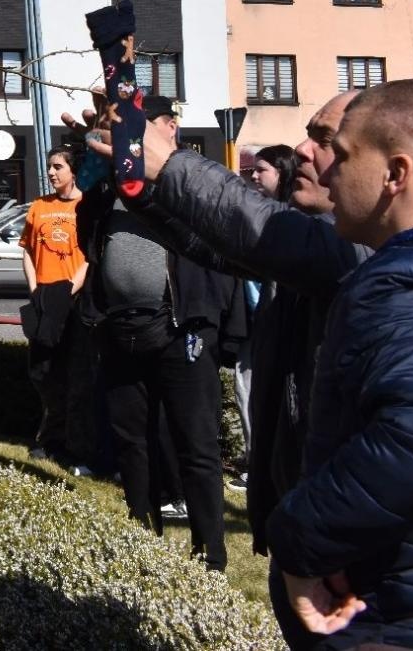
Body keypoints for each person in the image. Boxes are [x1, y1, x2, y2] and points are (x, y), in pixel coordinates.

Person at [86, 90, 371, 646]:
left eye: (325, 139)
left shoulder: (364, 252)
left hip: (350, 561)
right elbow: (210, 239)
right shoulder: (327, 241)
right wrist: (134, 178)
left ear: (394, 165)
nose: (303, 151)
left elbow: (253, 227)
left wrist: (166, 162)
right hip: (312, 545)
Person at [262, 80, 413, 648]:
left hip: (403, 616)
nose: (326, 173)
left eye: (342, 155)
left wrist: (299, 537)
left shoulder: (400, 289)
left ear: (396, 174)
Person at [77, 96, 236, 572]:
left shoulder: (181, 178)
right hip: (122, 330)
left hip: (179, 329)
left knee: (196, 444)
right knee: (131, 440)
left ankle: (210, 549)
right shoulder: (112, 188)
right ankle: (142, 535)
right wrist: (96, 149)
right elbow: (86, 214)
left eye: (159, 124)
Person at [231, 144, 299, 490]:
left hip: (276, 323)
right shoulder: (255, 214)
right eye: (251, 171)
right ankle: (255, 459)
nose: (254, 177)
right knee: (245, 390)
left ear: (283, 173)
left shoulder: (293, 218)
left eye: (262, 171)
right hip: (249, 322)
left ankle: (268, 465)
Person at [19, 146, 90, 468]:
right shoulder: (38, 207)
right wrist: (36, 290)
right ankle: (49, 439)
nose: (51, 172)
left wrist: (68, 291)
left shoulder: (85, 206)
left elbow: (89, 256)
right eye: (49, 166)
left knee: (73, 374)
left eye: (58, 166)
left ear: (73, 170)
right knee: (42, 373)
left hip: (72, 299)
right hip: (44, 296)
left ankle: (73, 444)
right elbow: (27, 251)